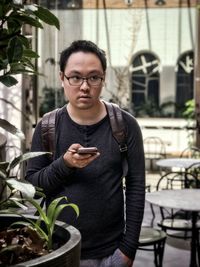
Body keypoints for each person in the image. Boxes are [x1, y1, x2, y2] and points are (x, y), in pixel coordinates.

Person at [26, 40, 145, 267]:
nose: (84, 86)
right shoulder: (47, 126)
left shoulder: (125, 125)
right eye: (75, 77)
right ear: (62, 78)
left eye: (93, 77)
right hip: (57, 248)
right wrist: (65, 164)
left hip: (111, 253)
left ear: (103, 78)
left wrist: (128, 249)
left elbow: (136, 186)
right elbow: (33, 187)